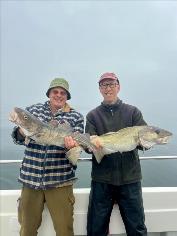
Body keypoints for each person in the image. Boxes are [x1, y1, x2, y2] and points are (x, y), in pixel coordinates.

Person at [12, 78, 84, 236]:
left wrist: (73, 146)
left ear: (67, 96)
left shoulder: (75, 117)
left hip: (60, 181)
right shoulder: (33, 111)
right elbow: (16, 138)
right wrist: (21, 131)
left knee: (64, 230)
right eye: (55, 92)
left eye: (63, 93)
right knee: (26, 230)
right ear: (49, 94)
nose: (58, 95)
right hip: (30, 179)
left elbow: (76, 151)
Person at [85, 72, 147, 236]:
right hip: (101, 180)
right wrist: (91, 144)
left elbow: (145, 143)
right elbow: (87, 145)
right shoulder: (92, 115)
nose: (108, 88)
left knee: (137, 228)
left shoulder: (133, 112)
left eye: (111, 84)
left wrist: (146, 142)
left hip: (130, 179)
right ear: (99, 89)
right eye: (104, 85)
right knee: (95, 228)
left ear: (118, 87)